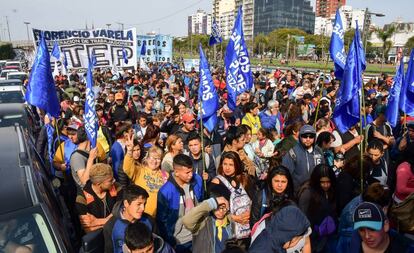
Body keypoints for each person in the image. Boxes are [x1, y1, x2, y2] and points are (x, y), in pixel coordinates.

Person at [156, 154, 204, 252]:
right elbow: (162, 221)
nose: (191, 175)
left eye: (192, 171)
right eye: (187, 172)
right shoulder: (166, 192)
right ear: (176, 172)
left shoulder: (197, 180)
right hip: (180, 242)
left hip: (199, 235)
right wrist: (171, 241)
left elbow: (201, 201)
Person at [210, 151, 253, 243]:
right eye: (225, 164)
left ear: (237, 165)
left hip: (248, 229)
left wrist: (250, 213)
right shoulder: (217, 182)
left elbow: (255, 200)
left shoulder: (244, 179)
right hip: (229, 230)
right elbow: (214, 210)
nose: (227, 168)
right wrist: (236, 218)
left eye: (231, 164)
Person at [123, 135, 168, 217]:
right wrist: (129, 151)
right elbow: (127, 168)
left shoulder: (165, 175)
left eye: (158, 158)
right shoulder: (140, 170)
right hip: (142, 215)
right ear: (146, 158)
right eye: (152, 158)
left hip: (161, 216)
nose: (154, 161)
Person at [103, 185, 156, 253]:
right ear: (126, 203)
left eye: (144, 204)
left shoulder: (149, 221)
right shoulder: (111, 226)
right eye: (138, 204)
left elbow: (158, 245)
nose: (143, 208)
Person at [297, 164, 337, 252]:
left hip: (326, 237)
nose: (326, 185)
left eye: (328, 182)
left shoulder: (331, 190)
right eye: (322, 182)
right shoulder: (307, 193)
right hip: (313, 240)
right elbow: (302, 219)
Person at [182, 184, 232, 253]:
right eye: (217, 207)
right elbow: (186, 221)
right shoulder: (203, 221)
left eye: (223, 207)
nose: (221, 211)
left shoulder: (231, 221)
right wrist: (212, 202)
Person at [349, 201, 413, 252]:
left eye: (372, 229)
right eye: (361, 230)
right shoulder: (347, 242)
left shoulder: (406, 248)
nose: (367, 236)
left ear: (386, 226)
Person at [75, 163, 122, 233]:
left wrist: (97, 222)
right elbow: (87, 229)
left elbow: (122, 214)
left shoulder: (117, 187)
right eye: (110, 180)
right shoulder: (82, 198)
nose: (114, 181)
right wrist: (110, 222)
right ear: (98, 184)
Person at [282, 124, 325, 191]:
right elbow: (285, 174)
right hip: (298, 192)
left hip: (316, 191)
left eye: (311, 136)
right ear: (300, 137)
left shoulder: (318, 151)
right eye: (305, 136)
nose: (308, 139)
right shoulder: (293, 153)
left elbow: (323, 171)